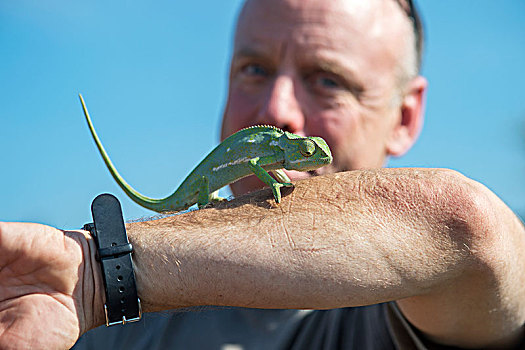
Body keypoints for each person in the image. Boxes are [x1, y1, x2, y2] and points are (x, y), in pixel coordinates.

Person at [1, 0, 524, 349]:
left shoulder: (402, 317)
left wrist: (105, 271)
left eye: (327, 80)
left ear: (405, 117)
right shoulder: (90, 325)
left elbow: (464, 229)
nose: (277, 109)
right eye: (254, 69)